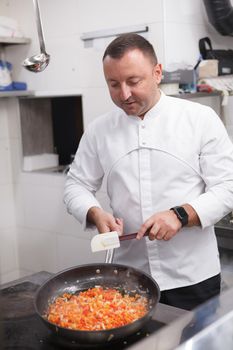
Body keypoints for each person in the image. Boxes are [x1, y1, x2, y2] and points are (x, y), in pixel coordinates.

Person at [64, 33, 233, 310]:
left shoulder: (199, 120)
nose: (124, 94)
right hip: (129, 278)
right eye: (114, 84)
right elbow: (76, 185)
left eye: (133, 82)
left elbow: (227, 187)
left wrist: (181, 215)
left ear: (157, 73)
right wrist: (94, 213)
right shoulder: (99, 130)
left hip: (193, 279)